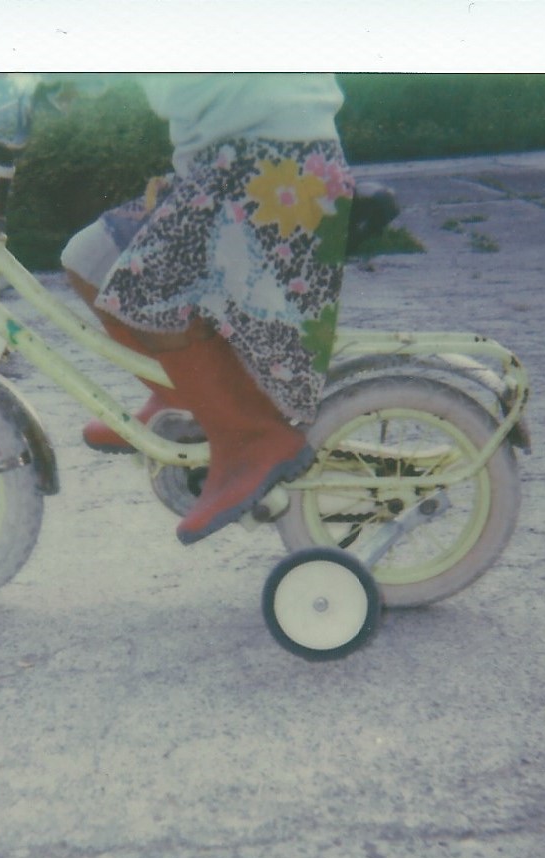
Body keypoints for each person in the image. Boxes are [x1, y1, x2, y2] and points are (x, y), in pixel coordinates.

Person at [60, 73, 355, 545]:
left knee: (151, 286)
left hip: (272, 160)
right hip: (220, 165)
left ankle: (249, 438)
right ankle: (189, 405)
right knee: (90, 258)